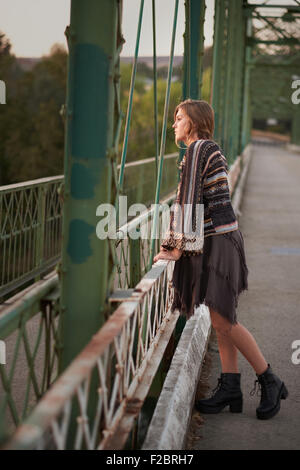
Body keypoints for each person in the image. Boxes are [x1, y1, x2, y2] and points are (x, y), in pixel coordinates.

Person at [153, 99, 288, 420]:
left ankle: (270, 378)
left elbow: (187, 202)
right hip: (218, 240)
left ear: (195, 123)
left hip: (219, 244)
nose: (174, 124)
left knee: (224, 319)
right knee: (219, 317)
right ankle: (230, 387)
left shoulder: (199, 148)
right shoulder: (205, 149)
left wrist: (173, 245)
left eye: (179, 118)